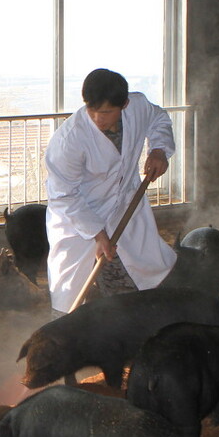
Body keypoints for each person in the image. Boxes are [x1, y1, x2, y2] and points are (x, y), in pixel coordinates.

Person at [44, 68, 176, 312]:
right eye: (92, 110)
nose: (98, 119)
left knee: (145, 274)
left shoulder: (137, 106)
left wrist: (159, 150)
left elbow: (159, 118)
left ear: (124, 104)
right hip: (79, 221)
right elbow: (64, 195)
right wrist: (97, 233)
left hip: (126, 206)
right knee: (68, 300)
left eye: (105, 112)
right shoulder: (69, 140)